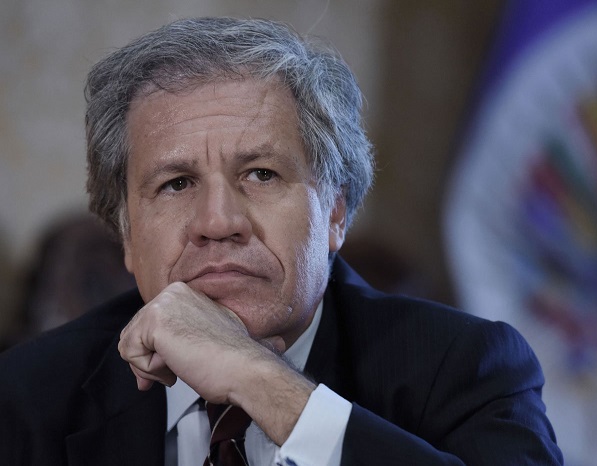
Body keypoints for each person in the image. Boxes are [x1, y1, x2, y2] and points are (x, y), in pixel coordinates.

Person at [0, 17, 563, 465]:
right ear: (126, 234)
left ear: (335, 211)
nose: (218, 221)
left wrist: (263, 382)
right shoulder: (28, 396)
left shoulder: (465, 368)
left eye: (261, 174)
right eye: (176, 183)